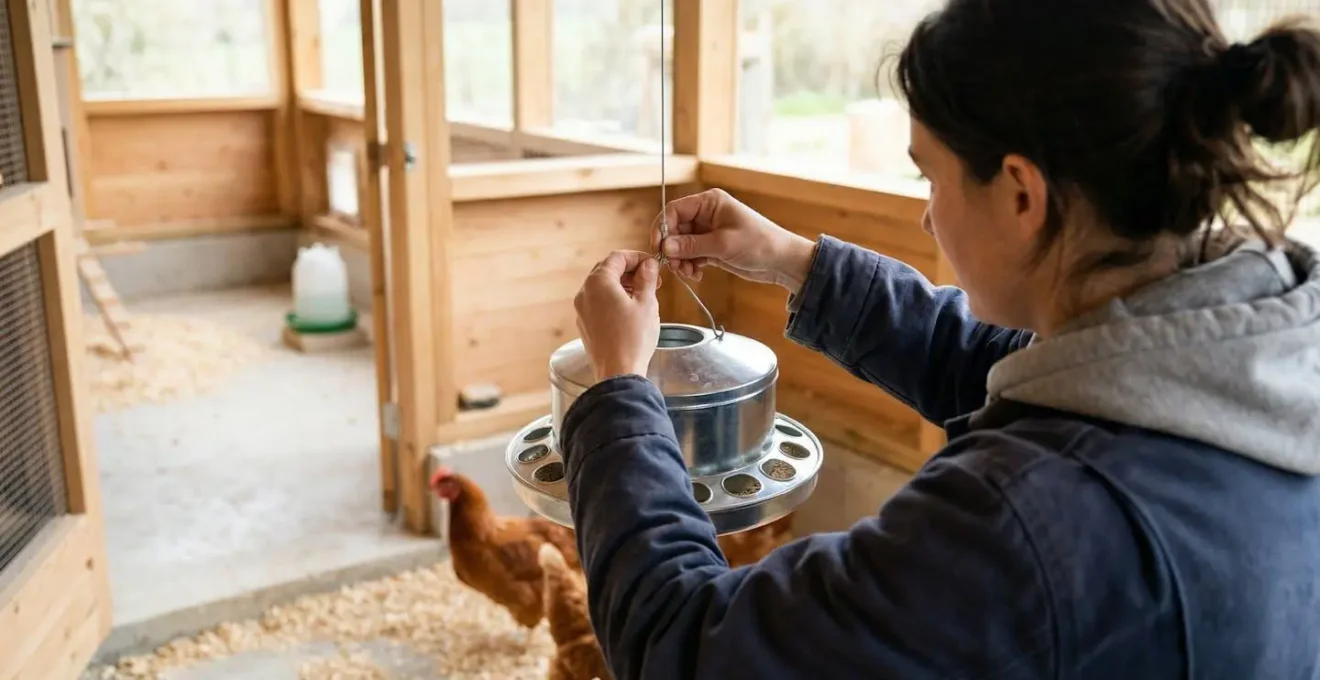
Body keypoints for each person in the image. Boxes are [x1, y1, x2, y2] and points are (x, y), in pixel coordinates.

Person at [562, 1, 1320, 678]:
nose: (927, 216)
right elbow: (997, 365)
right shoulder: (1253, 352)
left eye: (930, 178)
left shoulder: (1023, 523)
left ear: (1021, 193)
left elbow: (685, 646)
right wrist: (792, 261)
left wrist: (620, 385)